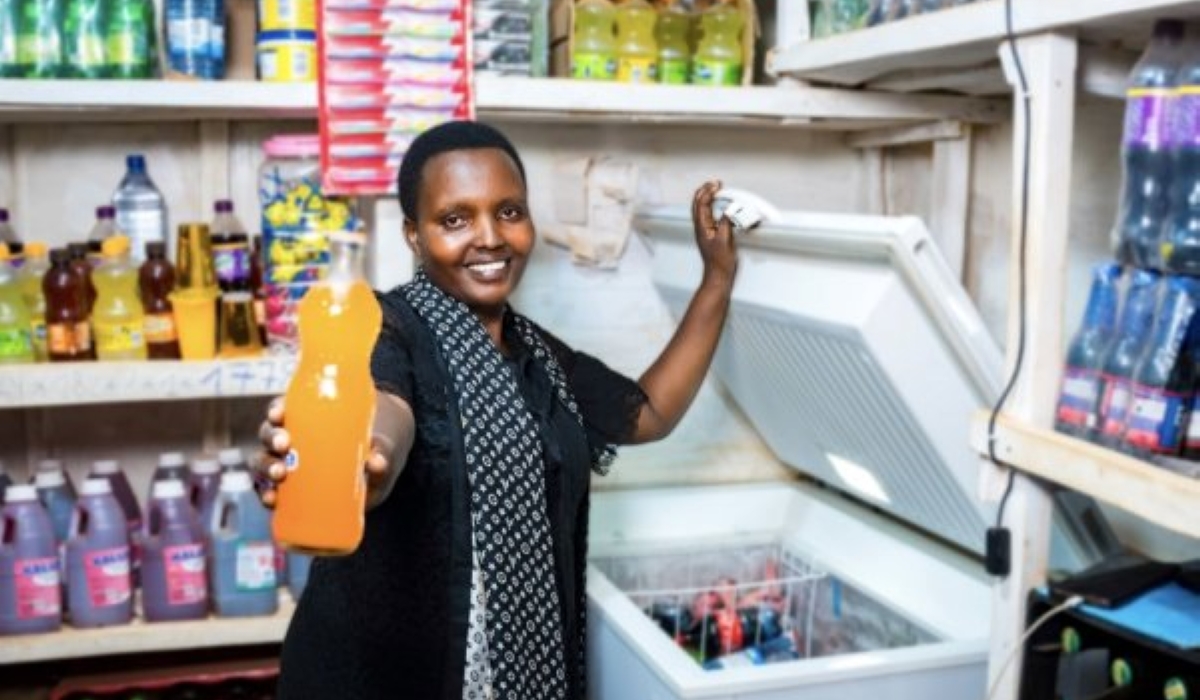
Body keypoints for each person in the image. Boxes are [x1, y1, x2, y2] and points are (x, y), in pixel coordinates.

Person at [256, 120, 738, 700]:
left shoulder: (538, 354)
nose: (489, 237)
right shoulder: (388, 326)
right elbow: (385, 411)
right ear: (413, 234)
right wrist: (366, 457)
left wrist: (717, 279)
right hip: (384, 678)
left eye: (509, 211)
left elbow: (649, 412)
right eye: (454, 219)